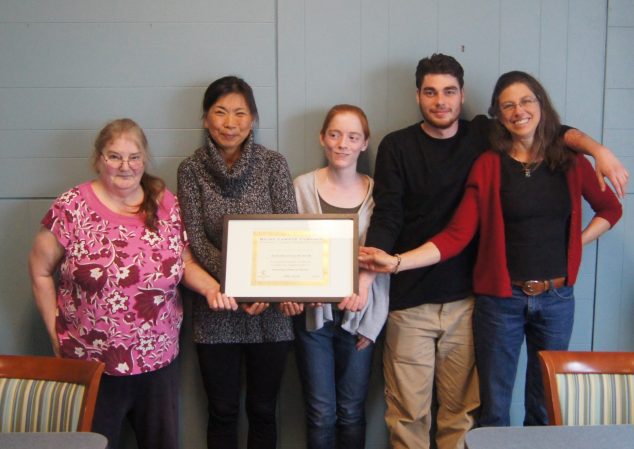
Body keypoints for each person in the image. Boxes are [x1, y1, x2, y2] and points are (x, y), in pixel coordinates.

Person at [361, 54, 628, 449]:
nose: (519, 112)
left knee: (538, 403)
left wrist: (597, 152)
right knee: (477, 409)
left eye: (527, 102)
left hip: (541, 298)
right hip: (484, 300)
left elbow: (607, 203)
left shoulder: (561, 159)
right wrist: (389, 264)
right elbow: (450, 232)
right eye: (508, 105)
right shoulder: (481, 160)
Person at [29, 118, 223, 449]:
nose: (125, 166)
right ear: (98, 159)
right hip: (92, 362)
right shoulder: (71, 207)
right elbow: (40, 270)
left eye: (134, 157)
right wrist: (54, 332)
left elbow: (185, 263)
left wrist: (212, 289)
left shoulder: (166, 204)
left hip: (157, 362)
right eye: (114, 156)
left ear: (144, 159)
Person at [177, 76, 297, 449]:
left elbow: (287, 233)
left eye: (240, 113)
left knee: (264, 408)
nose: (231, 123)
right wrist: (240, 285)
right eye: (221, 112)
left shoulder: (274, 165)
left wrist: (261, 289)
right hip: (215, 304)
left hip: (270, 308)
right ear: (205, 119)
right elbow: (195, 239)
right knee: (222, 409)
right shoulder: (190, 169)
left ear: (253, 119)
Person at [293, 104, 389, 449]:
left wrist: (371, 322)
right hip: (314, 318)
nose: (342, 144)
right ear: (322, 138)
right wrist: (303, 290)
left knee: (351, 410)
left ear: (365, 143)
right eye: (334, 135)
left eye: (352, 137)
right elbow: (289, 248)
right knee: (321, 413)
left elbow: (383, 262)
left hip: (360, 319)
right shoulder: (301, 188)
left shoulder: (378, 193)